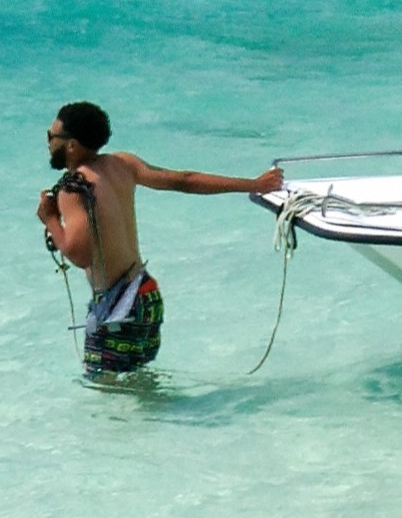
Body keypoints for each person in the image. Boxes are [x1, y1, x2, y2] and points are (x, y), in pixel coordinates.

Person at [36, 100, 274, 379]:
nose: (49, 142)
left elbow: (79, 255)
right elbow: (183, 180)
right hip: (145, 296)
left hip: (117, 309)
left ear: (72, 145)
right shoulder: (123, 163)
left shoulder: (74, 188)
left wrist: (50, 218)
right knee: (138, 389)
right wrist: (254, 184)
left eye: (51, 136)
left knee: (107, 393)